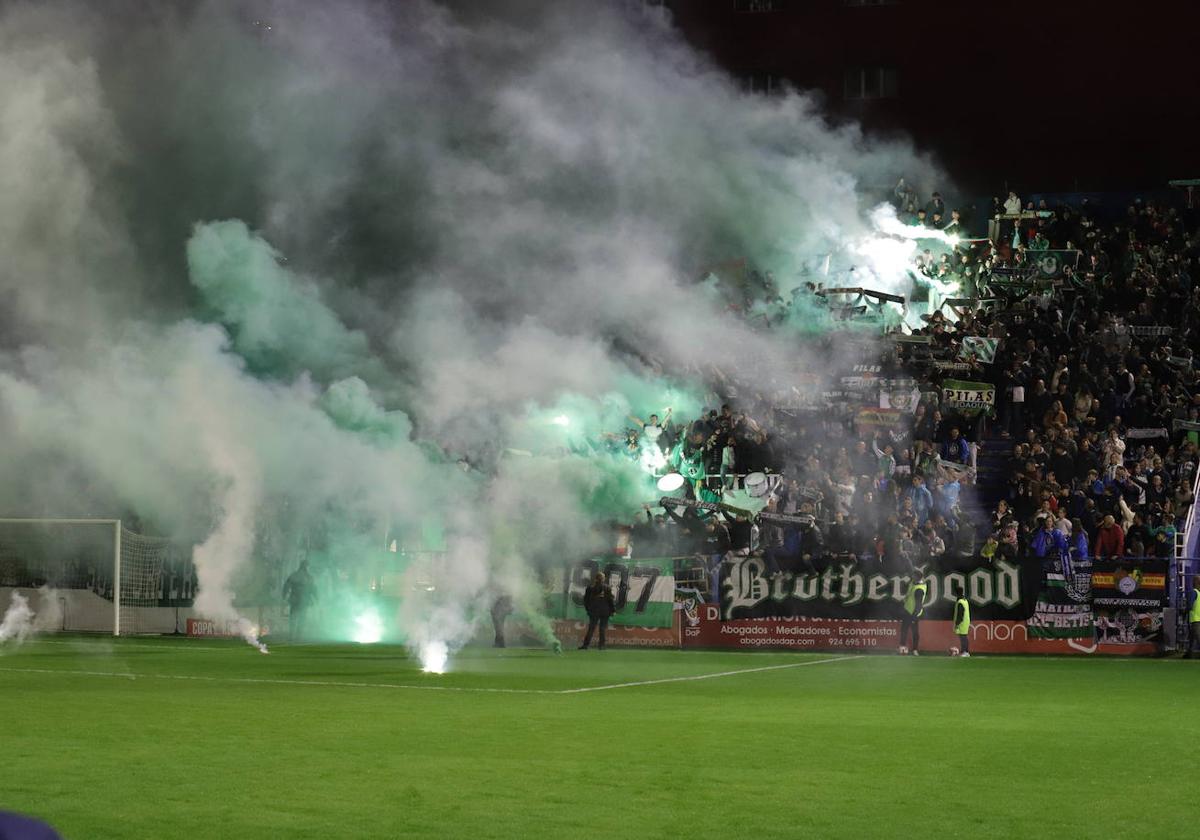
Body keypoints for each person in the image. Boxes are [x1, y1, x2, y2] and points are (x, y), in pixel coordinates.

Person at [578, 572, 616, 650]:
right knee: (602, 628)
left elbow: (586, 600)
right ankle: (601, 646)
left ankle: (586, 645)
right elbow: (610, 600)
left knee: (591, 628)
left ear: (596, 578)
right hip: (605, 611)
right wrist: (613, 611)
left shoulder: (590, 588)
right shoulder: (607, 588)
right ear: (603, 579)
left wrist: (588, 609)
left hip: (594, 611)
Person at [281, 560, 315, 642]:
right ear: (305, 566)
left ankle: (292, 636)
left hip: (296, 600)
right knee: (301, 619)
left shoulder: (295, 575)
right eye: (307, 566)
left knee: (294, 618)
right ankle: (298, 636)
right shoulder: (308, 577)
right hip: (302, 600)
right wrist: (316, 598)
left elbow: (286, 586)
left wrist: (284, 596)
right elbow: (313, 589)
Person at [899, 570, 927, 655]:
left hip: (914, 613)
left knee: (915, 631)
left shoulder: (919, 590)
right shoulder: (913, 582)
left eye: (914, 576)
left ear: (917, 577)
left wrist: (914, 617)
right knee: (904, 629)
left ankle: (915, 649)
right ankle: (902, 647)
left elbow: (918, 605)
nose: (912, 577)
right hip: (907, 610)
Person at [952, 584, 971, 658]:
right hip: (966, 621)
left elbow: (960, 614)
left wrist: (957, 623)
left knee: (963, 637)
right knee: (964, 636)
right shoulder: (964, 600)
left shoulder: (960, 602)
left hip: (962, 622)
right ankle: (965, 651)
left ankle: (965, 651)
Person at [1185, 576, 1200, 659]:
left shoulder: (1193, 592)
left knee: (1197, 637)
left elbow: (1190, 606)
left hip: (1195, 619)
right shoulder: (1199, 593)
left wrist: (1185, 611)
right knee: (1192, 637)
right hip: (1197, 618)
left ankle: (1189, 653)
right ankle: (1189, 653)